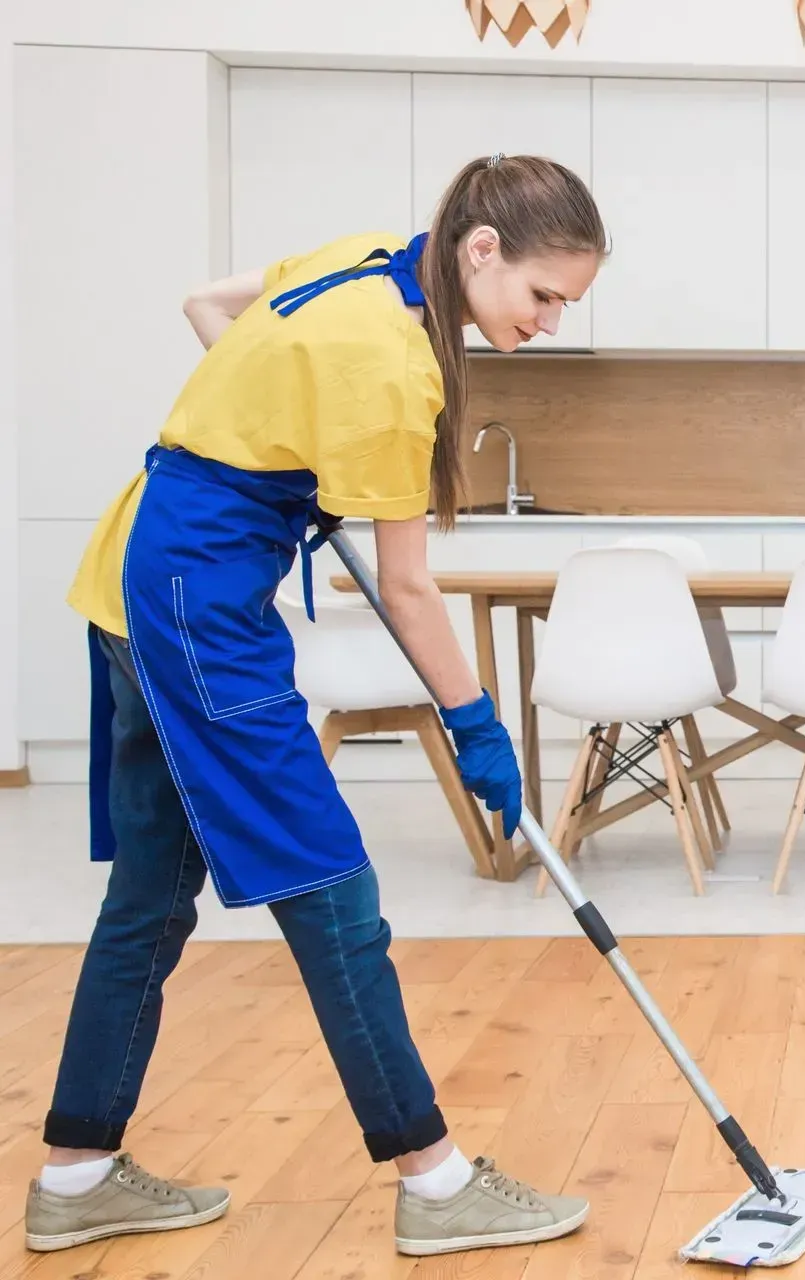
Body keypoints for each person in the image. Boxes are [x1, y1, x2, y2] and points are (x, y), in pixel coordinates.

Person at [25, 154, 607, 1257]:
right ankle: (436, 1185)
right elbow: (406, 588)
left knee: (150, 895)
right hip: (199, 601)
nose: (550, 321)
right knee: (332, 886)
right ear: (482, 250)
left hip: (135, 578)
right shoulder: (396, 369)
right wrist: (477, 723)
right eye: (543, 295)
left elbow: (207, 306)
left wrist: (278, 445)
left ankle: (77, 1171)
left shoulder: (358, 264)